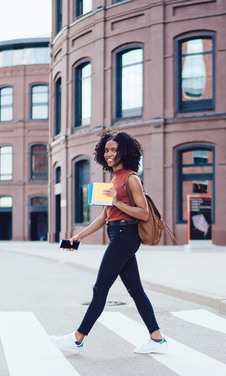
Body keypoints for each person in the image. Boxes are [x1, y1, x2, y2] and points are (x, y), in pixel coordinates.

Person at [51, 129, 168, 355]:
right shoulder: (114, 179)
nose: (109, 154)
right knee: (136, 290)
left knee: (100, 289)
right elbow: (105, 216)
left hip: (126, 236)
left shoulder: (131, 178)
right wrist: (79, 237)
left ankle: (77, 338)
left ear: (125, 152)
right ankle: (157, 338)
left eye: (114, 150)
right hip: (117, 234)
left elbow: (143, 213)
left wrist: (117, 202)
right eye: (106, 150)